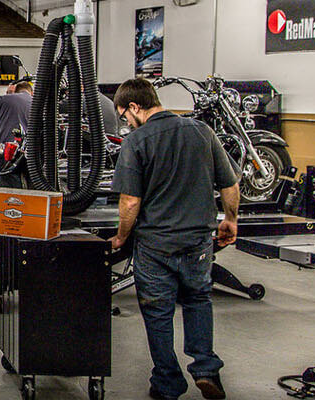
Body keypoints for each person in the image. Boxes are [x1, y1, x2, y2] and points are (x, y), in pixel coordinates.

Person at [108, 78, 238, 400]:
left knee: (158, 312)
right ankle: (206, 369)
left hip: (155, 244)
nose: (126, 123)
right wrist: (231, 220)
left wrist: (121, 237)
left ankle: (168, 383)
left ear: (134, 107)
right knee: (198, 299)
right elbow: (230, 184)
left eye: (125, 116)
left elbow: (130, 202)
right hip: (198, 241)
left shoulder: (136, 142)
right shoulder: (202, 131)